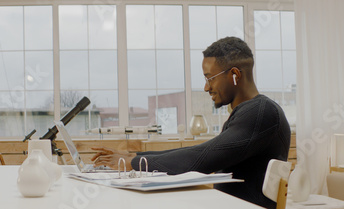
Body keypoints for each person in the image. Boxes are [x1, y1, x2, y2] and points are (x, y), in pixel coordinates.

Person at [91, 37, 291, 209]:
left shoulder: (261, 113)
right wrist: (136, 156)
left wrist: (134, 163)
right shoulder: (251, 113)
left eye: (210, 78)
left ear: (235, 75)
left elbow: (201, 158)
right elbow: (202, 151)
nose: (206, 87)